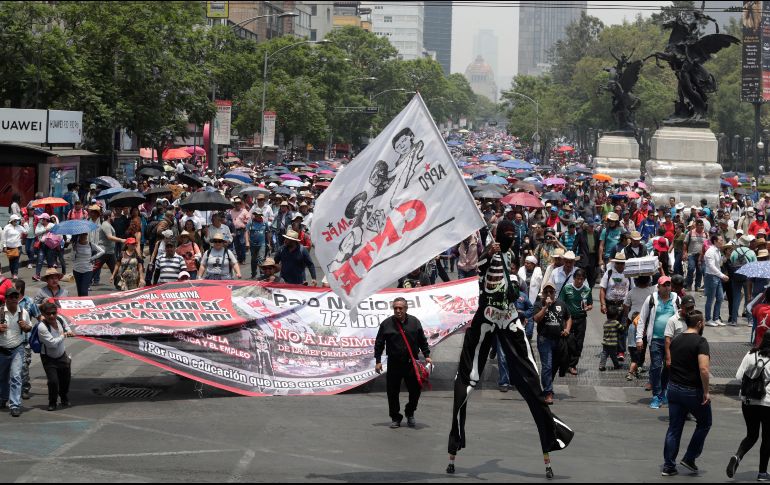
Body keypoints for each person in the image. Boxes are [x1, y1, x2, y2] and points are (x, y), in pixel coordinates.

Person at [446, 219, 573, 479]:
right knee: (468, 373)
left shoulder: (509, 252)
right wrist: (485, 254)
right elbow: (477, 270)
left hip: (509, 315)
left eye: (513, 235)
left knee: (530, 373)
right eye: (507, 234)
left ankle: (550, 434)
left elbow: (508, 273)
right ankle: (454, 441)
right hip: (488, 314)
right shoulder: (491, 250)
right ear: (498, 234)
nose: (511, 238)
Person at [662, 310, 711, 476]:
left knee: (674, 428)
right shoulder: (701, 341)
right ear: (699, 323)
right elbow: (704, 369)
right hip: (692, 390)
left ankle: (669, 466)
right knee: (704, 423)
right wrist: (706, 391)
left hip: (674, 388)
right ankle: (690, 457)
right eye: (703, 322)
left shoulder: (676, 340)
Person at [374, 297, 431, 429]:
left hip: (411, 364)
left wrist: (427, 355)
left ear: (406, 308)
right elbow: (379, 343)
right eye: (395, 308)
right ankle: (395, 418)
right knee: (392, 392)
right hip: (394, 364)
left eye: (401, 308)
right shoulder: (386, 324)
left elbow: (422, 340)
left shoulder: (414, 322)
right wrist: (378, 361)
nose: (398, 310)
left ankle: (410, 412)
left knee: (416, 391)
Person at [727, 332, 770, 481]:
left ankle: (737, 456)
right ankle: (762, 473)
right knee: (767, 439)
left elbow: (739, 376)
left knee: (752, 435)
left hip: (748, 401)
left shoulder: (751, 354)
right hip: (767, 403)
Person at [637, 275, 680, 410]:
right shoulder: (651, 299)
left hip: (672, 340)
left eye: (668, 284)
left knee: (668, 366)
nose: (667, 287)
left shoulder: (676, 299)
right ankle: (656, 395)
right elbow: (642, 319)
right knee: (655, 366)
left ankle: (663, 391)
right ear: (658, 287)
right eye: (664, 285)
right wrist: (639, 338)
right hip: (655, 338)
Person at [535, 282, 572, 404]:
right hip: (544, 339)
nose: (549, 294)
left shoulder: (561, 304)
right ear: (543, 293)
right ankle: (548, 393)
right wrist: (545, 307)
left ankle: (546, 385)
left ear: (555, 293)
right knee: (547, 365)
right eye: (547, 292)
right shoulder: (539, 304)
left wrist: (567, 329)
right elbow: (536, 318)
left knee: (553, 367)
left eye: (551, 292)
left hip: (559, 340)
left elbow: (568, 317)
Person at [36, 301, 75, 412]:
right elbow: (52, 344)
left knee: (65, 378)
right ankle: (52, 402)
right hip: (48, 358)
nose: (52, 316)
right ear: (44, 314)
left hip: (62, 355)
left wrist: (69, 332)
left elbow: (67, 328)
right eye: (48, 314)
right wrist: (63, 335)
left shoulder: (60, 320)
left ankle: (64, 397)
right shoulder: (42, 327)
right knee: (53, 381)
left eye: (54, 313)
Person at [0, 285, 31, 417]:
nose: (13, 299)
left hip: (17, 348)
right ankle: (3, 398)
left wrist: (26, 327)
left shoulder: (23, 312)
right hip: (2, 349)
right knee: (2, 377)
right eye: (11, 297)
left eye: (15, 297)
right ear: (6, 299)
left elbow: (30, 328)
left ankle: (15, 405)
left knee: (16, 376)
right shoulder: (0, 312)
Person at [624, 276, 656, 381]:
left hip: (634, 321)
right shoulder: (652, 291)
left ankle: (635, 364)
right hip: (646, 323)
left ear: (636, 281)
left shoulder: (631, 292)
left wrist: (628, 317)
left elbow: (626, 306)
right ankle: (638, 365)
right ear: (648, 280)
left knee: (633, 345)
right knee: (644, 345)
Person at [561, 268, 592, 375]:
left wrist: (588, 307)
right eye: (578, 278)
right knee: (568, 341)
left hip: (581, 319)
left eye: (581, 279)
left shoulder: (587, 290)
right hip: (568, 319)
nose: (579, 281)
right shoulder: (567, 288)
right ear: (574, 278)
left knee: (579, 343)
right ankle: (564, 363)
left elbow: (590, 304)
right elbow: (561, 303)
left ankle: (573, 365)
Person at [703, 234, 729, 327]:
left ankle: (716, 318)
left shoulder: (718, 251)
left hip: (716, 276)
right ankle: (708, 319)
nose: (722, 242)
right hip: (711, 276)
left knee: (720, 297)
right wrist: (722, 275)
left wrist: (726, 256)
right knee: (710, 299)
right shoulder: (710, 251)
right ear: (715, 241)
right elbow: (711, 266)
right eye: (720, 240)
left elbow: (719, 264)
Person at [246, 210, 270, 279]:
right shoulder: (251, 222)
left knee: (261, 258)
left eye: (258, 214)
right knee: (253, 259)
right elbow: (247, 232)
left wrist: (269, 243)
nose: (257, 216)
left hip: (262, 243)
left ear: (261, 215)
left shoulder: (265, 222)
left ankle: (262, 274)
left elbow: (267, 232)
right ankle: (253, 273)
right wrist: (247, 242)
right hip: (253, 244)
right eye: (256, 214)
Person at [600, 306, 624, 371]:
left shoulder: (605, 323)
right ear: (616, 316)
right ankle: (616, 365)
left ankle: (602, 366)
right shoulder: (616, 322)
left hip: (605, 343)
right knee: (613, 355)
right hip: (613, 343)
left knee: (604, 354)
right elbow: (622, 328)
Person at [2, 214, 25, 279]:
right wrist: (4, 246)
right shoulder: (7, 227)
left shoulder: (20, 227)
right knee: (11, 262)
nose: (17, 221)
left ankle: (15, 274)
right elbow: (4, 237)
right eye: (15, 220)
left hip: (18, 247)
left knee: (16, 261)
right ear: (12, 220)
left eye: (17, 220)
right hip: (9, 247)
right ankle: (12, 273)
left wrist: (24, 224)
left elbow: (26, 232)